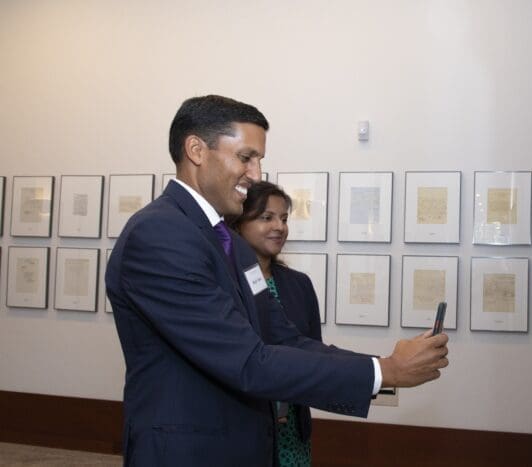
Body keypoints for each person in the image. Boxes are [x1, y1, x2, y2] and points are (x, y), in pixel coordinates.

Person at [106, 95, 449, 467]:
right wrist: (386, 371)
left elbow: (283, 337)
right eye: (245, 157)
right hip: (188, 453)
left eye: (259, 161)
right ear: (196, 150)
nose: (255, 175)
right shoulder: (159, 234)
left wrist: (381, 365)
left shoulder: (230, 243)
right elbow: (248, 362)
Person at [229, 181, 319, 466]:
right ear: (239, 223)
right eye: (266, 218)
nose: (279, 227)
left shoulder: (299, 285)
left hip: (291, 430)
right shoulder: (226, 284)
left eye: (284, 218)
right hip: (241, 426)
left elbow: (312, 353)